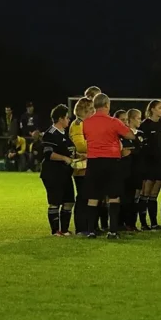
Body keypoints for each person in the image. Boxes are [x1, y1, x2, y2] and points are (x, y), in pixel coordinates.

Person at [82, 94, 135, 239]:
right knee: (113, 196)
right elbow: (130, 135)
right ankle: (112, 231)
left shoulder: (86, 123)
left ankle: (91, 230)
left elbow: (87, 138)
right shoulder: (114, 122)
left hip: (93, 161)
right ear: (107, 105)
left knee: (93, 197)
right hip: (111, 161)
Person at [40, 105, 76, 236]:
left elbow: (70, 152)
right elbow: (48, 154)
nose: (69, 120)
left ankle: (64, 230)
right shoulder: (50, 134)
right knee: (55, 202)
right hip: (53, 173)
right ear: (60, 119)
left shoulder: (64, 135)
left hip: (65, 174)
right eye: (67, 117)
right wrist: (64, 158)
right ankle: (55, 231)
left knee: (69, 201)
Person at [139, 100, 161, 230]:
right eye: (160, 108)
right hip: (148, 164)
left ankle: (154, 223)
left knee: (154, 195)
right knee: (145, 193)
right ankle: (144, 223)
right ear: (152, 110)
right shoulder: (145, 125)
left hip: (160, 164)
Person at [69, 98, 93, 235]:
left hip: (87, 165)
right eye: (90, 110)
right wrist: (96, 145)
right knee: (83, 196)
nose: (93, 112)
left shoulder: (84, 124)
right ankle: (81, 228)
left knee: (88, 196)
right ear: (84, 111)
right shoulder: (78, 124)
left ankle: (88, 227)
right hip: (80, 166)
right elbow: (80, 145)